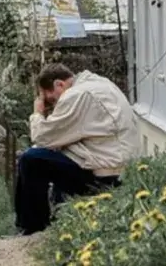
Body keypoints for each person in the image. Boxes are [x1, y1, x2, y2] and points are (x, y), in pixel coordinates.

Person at [14, 63, 142, 235]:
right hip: (122, 167)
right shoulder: (101, 84)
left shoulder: (76, 95)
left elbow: (43, 137)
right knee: (58, 155)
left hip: (106, 175)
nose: (55, 105)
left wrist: (37, 113)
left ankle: (33, 228)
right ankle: (56, 220)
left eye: (52, 100)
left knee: (31, 159)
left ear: (60, 84)